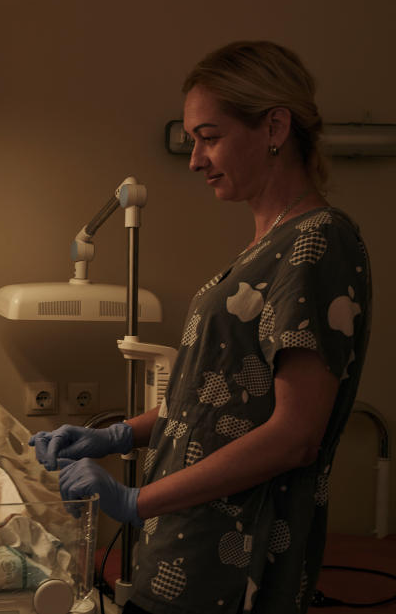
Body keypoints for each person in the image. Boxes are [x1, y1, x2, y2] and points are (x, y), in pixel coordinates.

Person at [30, 41, 371, 614]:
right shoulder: (266, 247)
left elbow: (294, 434)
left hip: (235, 559)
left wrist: (135, 500)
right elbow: (216, 405)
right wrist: (117, 436)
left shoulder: (317, 241)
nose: (194, 159)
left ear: (274, 128)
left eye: (208, 137)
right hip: (187, 545)